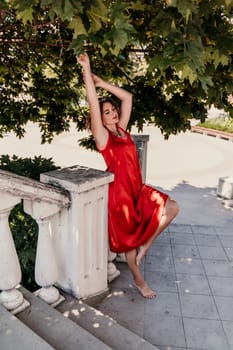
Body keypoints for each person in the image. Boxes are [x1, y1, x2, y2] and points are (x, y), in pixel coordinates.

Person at [77, 53, 179, 298]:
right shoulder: (104, 139)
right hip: (119, 197)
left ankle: (148, 244)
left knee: (172, 207)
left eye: (112, 110)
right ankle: (139, 281)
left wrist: (103, 84)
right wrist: (87, 71)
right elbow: (92, 102)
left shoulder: (122, 129)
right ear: (99, 119)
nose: (112, 113)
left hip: (137, 189)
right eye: (106, 112)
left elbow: (128, 97)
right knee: (129, 248)